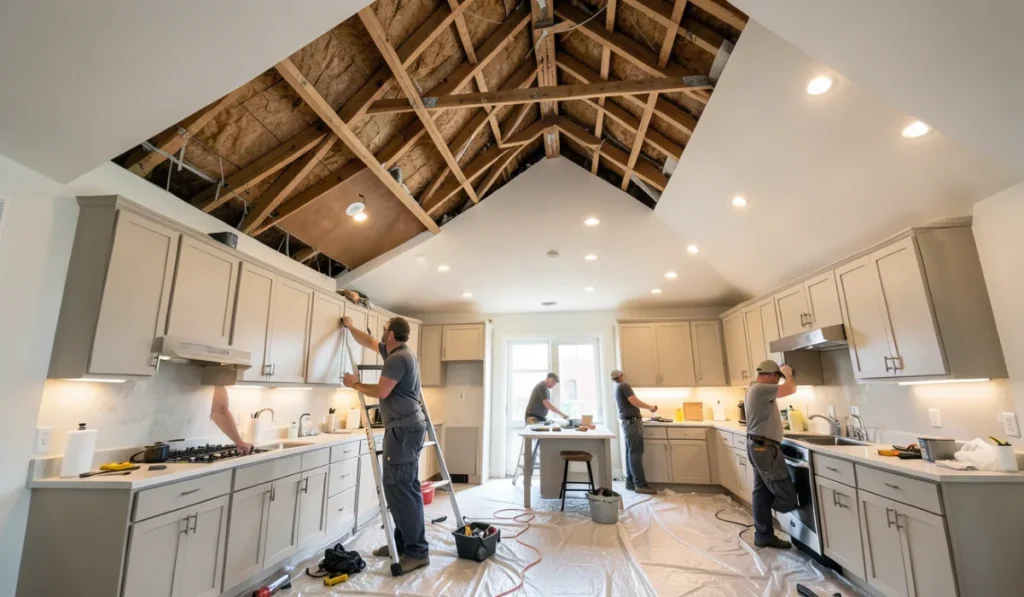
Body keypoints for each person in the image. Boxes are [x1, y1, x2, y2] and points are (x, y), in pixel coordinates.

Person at [342, 315, 430, 574]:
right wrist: (349, 327)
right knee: (401, 488)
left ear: (391, 334)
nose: (380, 333)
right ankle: (403, 545)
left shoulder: (397, 359)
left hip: (403, 429)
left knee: (400, 490)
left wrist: (354, 384)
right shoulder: (398, 351)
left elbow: (382, 392)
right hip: (406, 426)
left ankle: (416, 552)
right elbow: (368, 341)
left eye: (384, 329)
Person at [745, 360, 800, 549]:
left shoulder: (755, 388)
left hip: (760, 446)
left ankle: (764, 535)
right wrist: (788, 372)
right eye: (777, 377)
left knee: (762, 492)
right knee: (786, 496)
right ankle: (775, 523)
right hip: (765, 449)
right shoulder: (761, 388)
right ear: (770, 375)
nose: (778, 381)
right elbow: (791, 388)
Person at [611, 370, 659, 495]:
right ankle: (640, 484)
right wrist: (650, 407)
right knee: (636, 453)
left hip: (627, 423)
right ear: (621, 375)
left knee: (630, 453)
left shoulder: (616, 387)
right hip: (632, 423)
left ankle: (631, 482)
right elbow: (633, 401)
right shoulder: (624, 386)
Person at [210, 385, 253, 455]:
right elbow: (220, 411)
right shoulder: (219, 378)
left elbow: (220, 411)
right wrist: (239, 442)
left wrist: (239, 442)